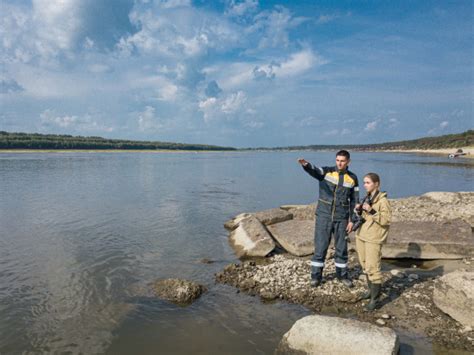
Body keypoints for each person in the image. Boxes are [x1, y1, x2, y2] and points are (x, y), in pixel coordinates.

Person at [297, 150, 359, 288]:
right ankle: (316, 276)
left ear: (348, 161)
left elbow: (355, 201)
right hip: (323, 216)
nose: (339, 163)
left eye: (342, 161)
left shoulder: (353, 178)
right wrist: (306, 165)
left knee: (341, 249)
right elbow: (314, 171)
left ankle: (342, 276)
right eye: (337, 160)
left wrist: (352, 220)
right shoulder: (326, 172)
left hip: (341, 218)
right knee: (320, 247)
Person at [354, 173, 391, 311]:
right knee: (365, 265)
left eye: (368, 182)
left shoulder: (383, 201)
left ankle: (375, 300)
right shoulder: (367, 197)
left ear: (377, 184)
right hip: (362, 235)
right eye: (364, 182)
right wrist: (358, 210)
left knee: (373, 268)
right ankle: (371, 292)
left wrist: (372, 210)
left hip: (374, 238)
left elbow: (386, 220)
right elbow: (364, 217)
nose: (365, 185)